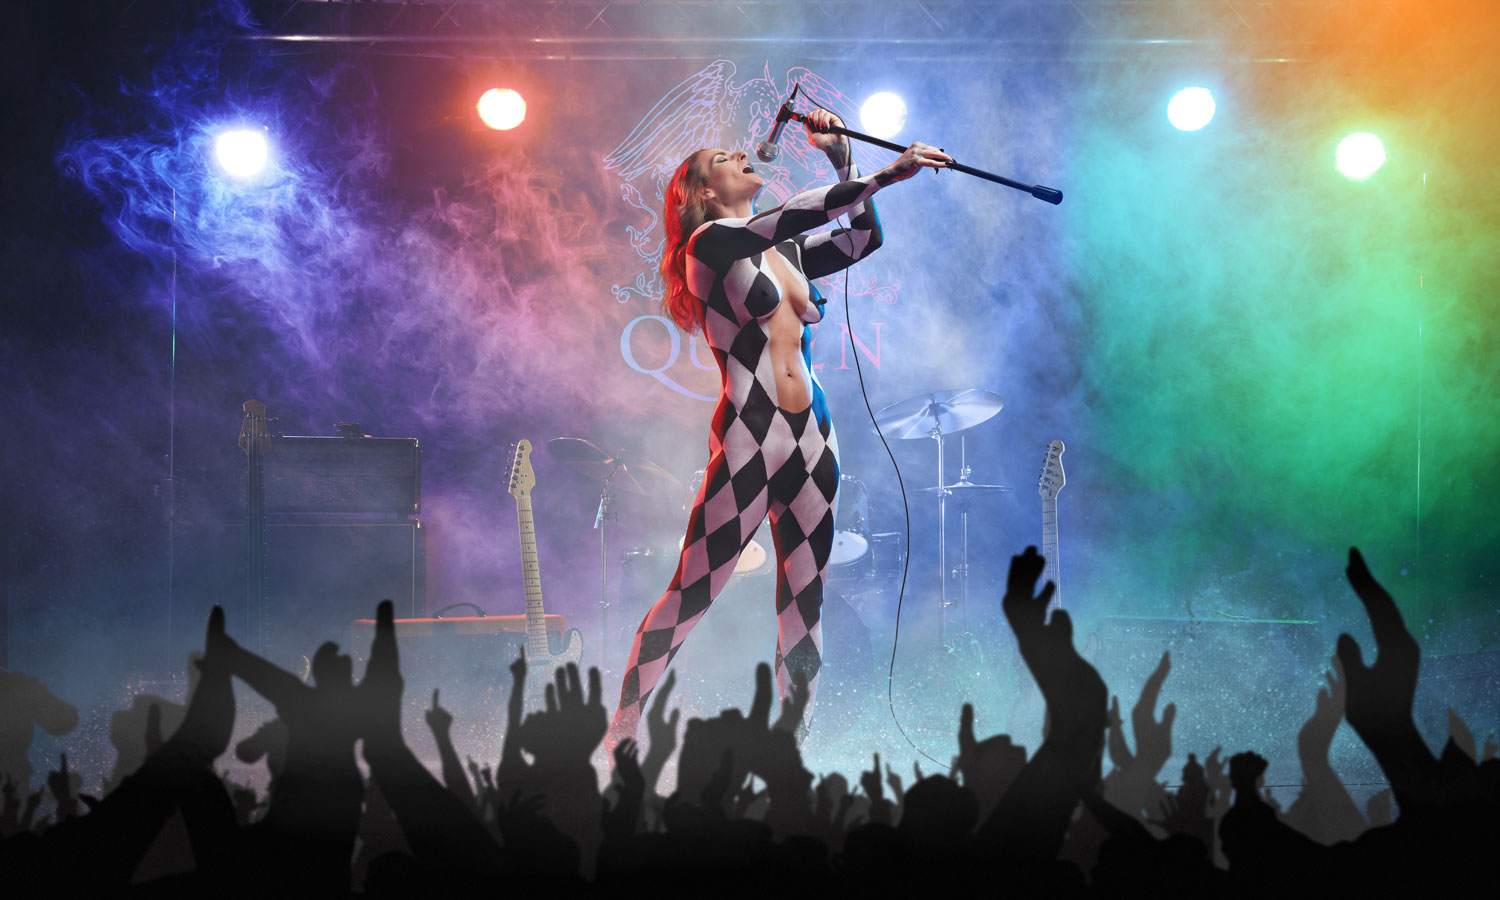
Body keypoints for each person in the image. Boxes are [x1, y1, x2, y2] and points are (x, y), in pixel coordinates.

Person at [608, 109, 951, 746]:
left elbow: (861, 240)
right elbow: (792, 216)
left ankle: (791, 743)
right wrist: (887, 173)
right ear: (701, 192)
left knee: (805, 600)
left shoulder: (785, 251)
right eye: (723, 160)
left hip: (815, 435)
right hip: (750, 435)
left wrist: (844, 159)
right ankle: (623, 727)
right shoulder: (707, 245)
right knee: (692, 592)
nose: (743, 156)